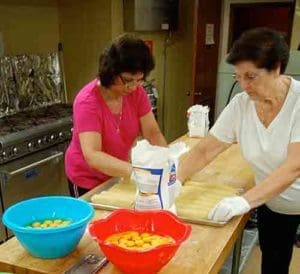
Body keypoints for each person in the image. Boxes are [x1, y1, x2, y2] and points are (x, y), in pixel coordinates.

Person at [178, 27, 300, 274]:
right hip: (273, 202)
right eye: (238, 77)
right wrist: (175, 181)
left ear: (276, 68)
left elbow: (293, 166)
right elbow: (206, 151)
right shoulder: (242, 105)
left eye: (251, 77)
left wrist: (244, 201)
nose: (244, 85)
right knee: (274, 264)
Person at [65, 34, 167, 197]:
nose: (133, 86)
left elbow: (152, 133)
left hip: (118, 173)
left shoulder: (136, 93)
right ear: (111, 71)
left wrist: (166, 161)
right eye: (128, 80)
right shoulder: (87, 102)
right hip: (88, 180)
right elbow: (93, 155)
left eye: (139, 80)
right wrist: (134, 172)